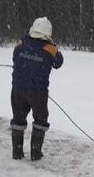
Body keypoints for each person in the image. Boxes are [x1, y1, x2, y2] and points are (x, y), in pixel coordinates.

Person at [11, 17, 64, 161]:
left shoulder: (21, 43)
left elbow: (15, 58)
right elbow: (58, 63)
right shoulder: (50, 48)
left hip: (18, 88)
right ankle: (35, 152)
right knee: (40, 119)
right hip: (38, 92)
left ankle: (17, 152)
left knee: (18, 117)